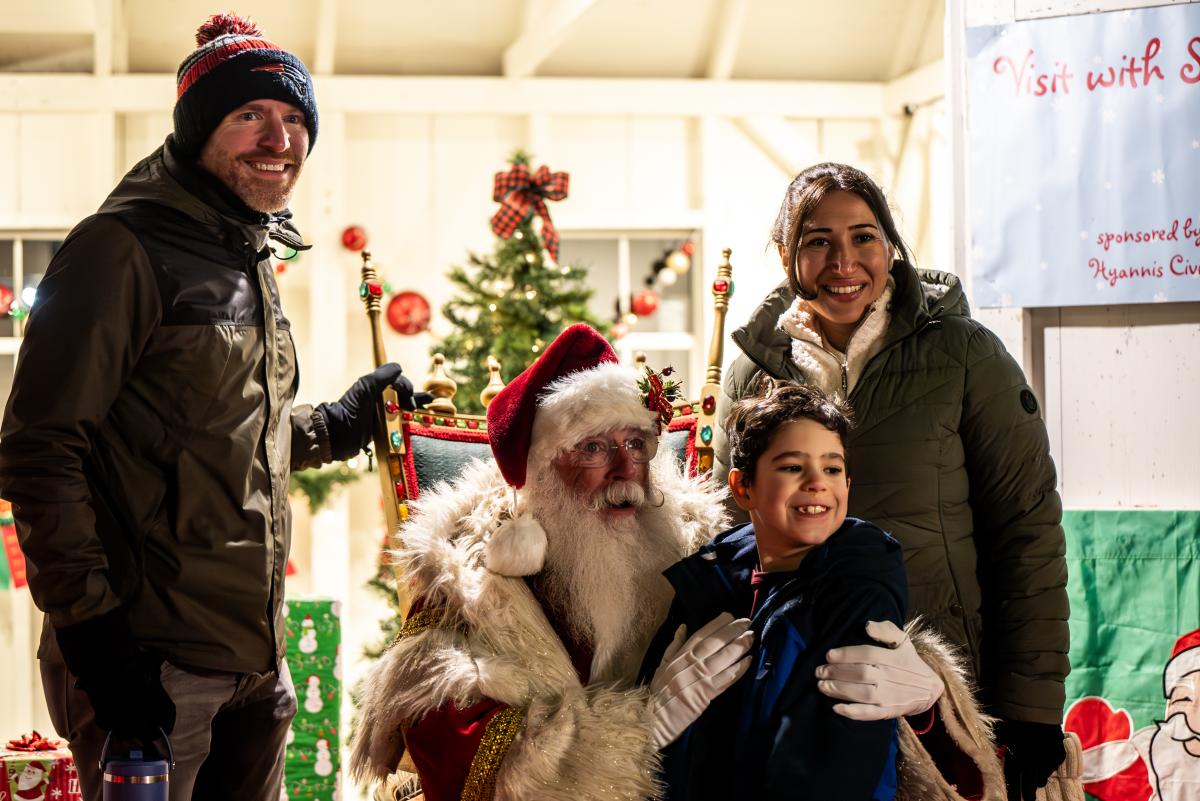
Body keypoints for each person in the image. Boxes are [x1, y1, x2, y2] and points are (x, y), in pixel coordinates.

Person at [0, 13, 423, 801]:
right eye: (250, 116)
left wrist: (335, 423)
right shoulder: (120, 248)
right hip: (148, 662)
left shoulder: (247, 252)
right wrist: (95, 639)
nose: (280, 139)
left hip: (255, 663)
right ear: (199, 130)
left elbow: (219, 435)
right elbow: (38, 448)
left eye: (296, 120)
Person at [713, 162, 1070, 799]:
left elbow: (1027, 531)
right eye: (818, 240)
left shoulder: (965, 356)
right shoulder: (753, 374)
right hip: (796, 693)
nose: (843, 261)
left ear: (891, 245)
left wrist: (1030, 711)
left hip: (942, 694)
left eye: (865, 237)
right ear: (786, 255)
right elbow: (732, 536)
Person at [351, 323, 752, 801]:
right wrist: (641, 729)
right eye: (594, 449)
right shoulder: (467, 575)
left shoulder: (699, 548)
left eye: (636, 444)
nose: (626, 472)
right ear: (543, 472)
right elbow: (443, 739)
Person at [643, 381, 907, 799]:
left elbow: (830, 770)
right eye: (792, 467)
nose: (817, 482)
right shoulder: (706, 581)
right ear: (743, 486)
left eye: (832, 468)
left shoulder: (857, 588)